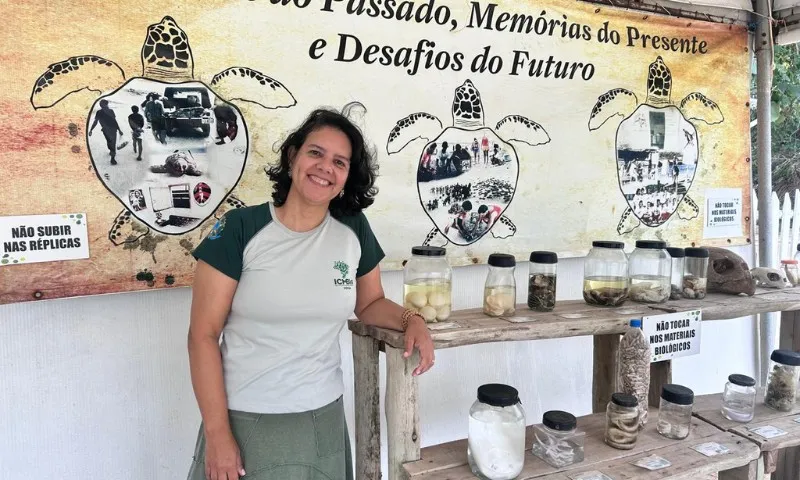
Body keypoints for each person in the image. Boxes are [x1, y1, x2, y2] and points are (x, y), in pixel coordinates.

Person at [186, 108, 436, 480]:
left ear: (348, 175)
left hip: (323, 422)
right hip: (247, 421)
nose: (325, 168)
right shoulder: (241, 228)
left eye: (340, 161)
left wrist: (410, 319)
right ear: (293, 157)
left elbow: (368, 304)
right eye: (315, 153)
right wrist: (218, 433)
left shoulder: (352, 229)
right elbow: (202, 335)